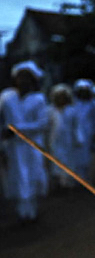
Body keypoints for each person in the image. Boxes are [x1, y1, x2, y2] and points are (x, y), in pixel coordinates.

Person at [0, 61, 49, 224]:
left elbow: (42, 124)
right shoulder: (6, 97)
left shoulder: (39, 99)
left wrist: (16, 129)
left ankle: (31, 212)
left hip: (32, 146)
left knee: (31, 175)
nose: (23, 81)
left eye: (27, 77)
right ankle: (22, 212)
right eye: (20, 77)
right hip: (13, 147)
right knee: (17, 176)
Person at [47, 83, 79, 190]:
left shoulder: (72, 110)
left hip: (68, 141)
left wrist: (78, 138)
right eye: (58, 96)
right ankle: (57, 183)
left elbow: (76, 126)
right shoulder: (49, 111)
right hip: (54, 141)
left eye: (63, 96)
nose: (61, 99)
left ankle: (67, 183)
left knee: (68, 161)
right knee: (55, 161)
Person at [71, 79, 95, 180]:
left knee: (86, 156)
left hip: (88, 132)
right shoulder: (72, 102)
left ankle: (84, 178)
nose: (83, 92)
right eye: (81, 90)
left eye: (85, 90)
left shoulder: (92, 103)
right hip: (74, 132)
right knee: (74, 155)